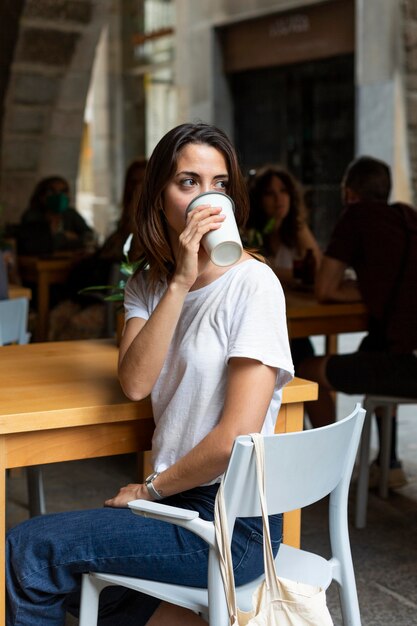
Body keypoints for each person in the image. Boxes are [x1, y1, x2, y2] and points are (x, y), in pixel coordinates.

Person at [6, 122, 294, 625]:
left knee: (29, 550)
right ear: (159, 196)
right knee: (77, 590)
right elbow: (136, 381)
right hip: (173, 507)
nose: (208, 199)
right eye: (189, 182)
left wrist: (148, 491)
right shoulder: (148, 282)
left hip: (230, 521)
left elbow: (236, 439)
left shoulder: (255, 284)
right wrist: (180, 279)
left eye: (219, 184)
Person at [299, 155, 417, 487]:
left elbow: (325, 288)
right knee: (375, 348)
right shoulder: (408, 217)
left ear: (349, 193)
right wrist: (375, 289)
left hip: (402, 369)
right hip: (404, 355)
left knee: (306, 370)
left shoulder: (357, 217)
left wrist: (363, 289)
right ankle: (389, 464)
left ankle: (326, 465)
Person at [246, 165, 332, 427]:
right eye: (270, 193)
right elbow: (256, 268)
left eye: (284, 192)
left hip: (294, 326)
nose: (278, 199)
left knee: (308, 364)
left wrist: (298, 226)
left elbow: (315, 270)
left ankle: (324, 443)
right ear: (259, 200)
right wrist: (290, 274)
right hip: (260, 328)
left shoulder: (295, 231)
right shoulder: (249, 234)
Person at [48, 159, 147, 341]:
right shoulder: (121, 224)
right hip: (96, 292)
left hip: (119, 299)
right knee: (57, 316)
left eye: (143, 181)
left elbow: (133, 265)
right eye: (133, 182)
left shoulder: (150, 226)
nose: (137, 187)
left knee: (75, 324)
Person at [17, 176, 95, 255]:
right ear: (41, 196)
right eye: (52, 191)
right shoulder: (31, 216)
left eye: (63, 191)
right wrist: (65, 237)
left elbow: (89, 238)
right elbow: (37, 245)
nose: (59, 195)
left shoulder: (71, 214)